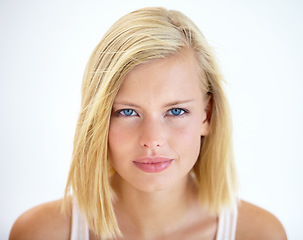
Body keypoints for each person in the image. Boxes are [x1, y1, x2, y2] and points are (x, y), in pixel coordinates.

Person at [9, 7, 287, 240]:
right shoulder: (39, 232)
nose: (152, 139)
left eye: (176, 111)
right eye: (128, 112)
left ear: (207, 115)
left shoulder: (258, 233)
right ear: (97, 120)